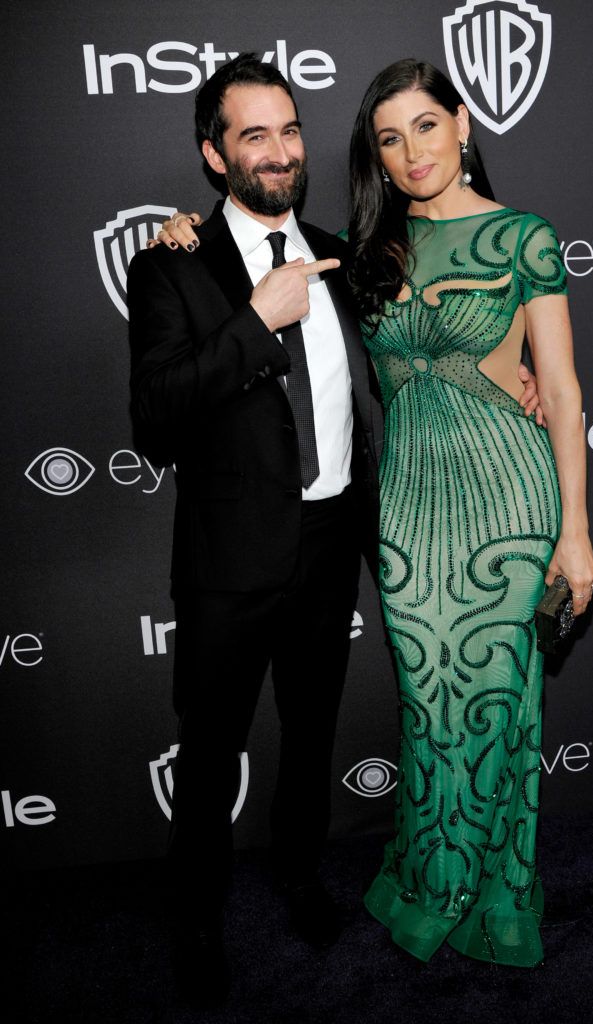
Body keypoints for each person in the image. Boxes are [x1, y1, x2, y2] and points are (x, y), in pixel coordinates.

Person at [127, 53, 381, 1001]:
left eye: (290, 129)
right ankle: (196, 917)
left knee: (311, 736)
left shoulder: (341, 253)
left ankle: (303, 876)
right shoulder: (170, 263)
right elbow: (153, 414)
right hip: (229, 563)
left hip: (327, 552)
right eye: (253, 135)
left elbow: (392, 373)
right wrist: (255, 321)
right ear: (212, 153)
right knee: (210, 751)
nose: (279, 152)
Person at [344, 58, 593, 968]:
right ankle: (429, 874)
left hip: (508, 497)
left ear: (462, 123)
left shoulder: (527, 237)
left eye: (424, 126)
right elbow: (249, 257)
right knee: (429, 703)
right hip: (411, 506)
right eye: (388, 138)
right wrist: (181, 231)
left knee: (495, 704)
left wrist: (575, 532)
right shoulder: (366, 248)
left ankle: (490, 897)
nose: (411, 152)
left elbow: (562, 392)